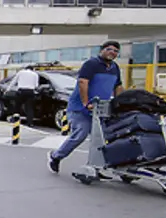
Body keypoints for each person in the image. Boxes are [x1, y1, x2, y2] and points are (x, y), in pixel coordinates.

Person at [48, 41, 123, 173]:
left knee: (104, 138)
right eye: (109, 49)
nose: (112, 52)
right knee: (81, 133)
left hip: (100, 109)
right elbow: (83, 82)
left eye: (116, 51)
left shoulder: (114, 67)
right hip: (80, 109)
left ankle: (98, 167)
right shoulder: (91, 64)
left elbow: (118, 86)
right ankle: (56, 156)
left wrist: (120, 103)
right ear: (102, 50)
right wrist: (85, 102)